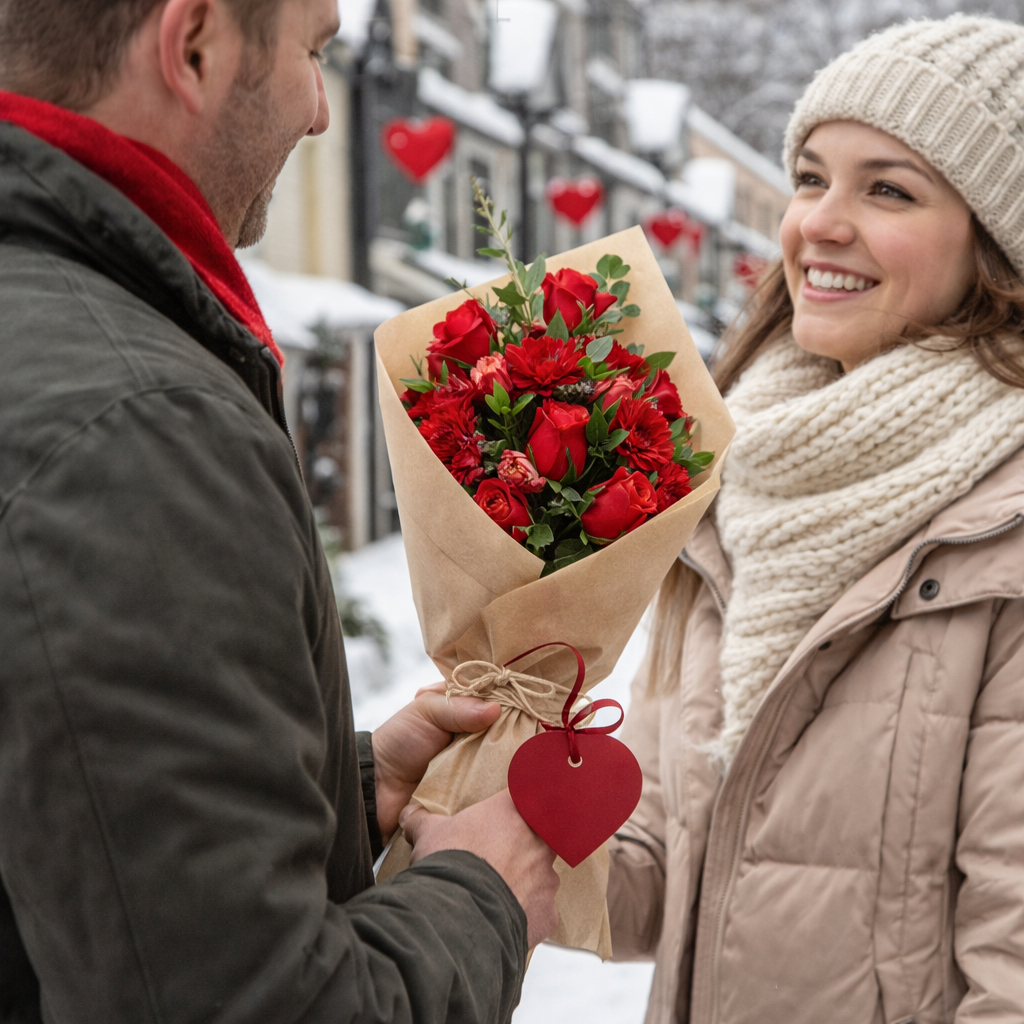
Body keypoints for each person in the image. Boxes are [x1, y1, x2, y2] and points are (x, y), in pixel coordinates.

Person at [0, 0, 559, 1021]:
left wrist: (334, 793)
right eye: (314, 51)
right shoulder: (140, 428)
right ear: (195, 42)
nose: (318, 112)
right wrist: (484, 893)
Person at [607, 14, 1024, 1024]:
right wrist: (483, 788)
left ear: (997, 244)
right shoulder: (738, 478)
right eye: (808, 176)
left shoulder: (1001, 536)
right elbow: (659, 870)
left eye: (887, 188)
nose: (816, 223)